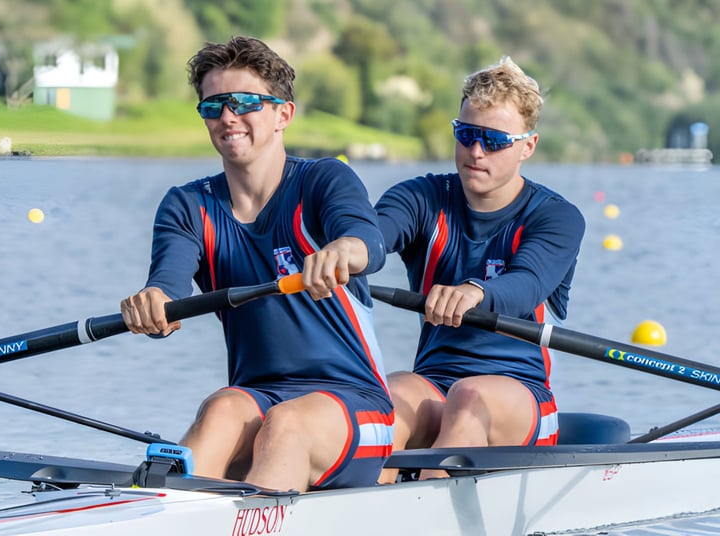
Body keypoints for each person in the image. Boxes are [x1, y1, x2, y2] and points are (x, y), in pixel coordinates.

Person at [120, 36, 393, 493]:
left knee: (287, 424)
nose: (228, 117)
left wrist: (341, 252)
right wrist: (154, 304)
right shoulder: (188, 205)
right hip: (255, 397)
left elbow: (370, 243)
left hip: (357, 407)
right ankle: (153, 512)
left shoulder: (323, 180)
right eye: (213, 106)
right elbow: (168, 284)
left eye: (244, 102)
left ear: (283, 113)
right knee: (221, 408)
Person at [375, 56, 585, 482]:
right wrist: (344, 251)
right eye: (467, 135)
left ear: (528, 145)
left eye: (494, 141)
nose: (475, 152)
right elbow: (372, 236)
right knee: (386, 395)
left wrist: (475, 291)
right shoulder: (422, 198)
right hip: (432, 381)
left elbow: (525, 285)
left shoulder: (557, 218)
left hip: (520, 395)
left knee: (469, 397)